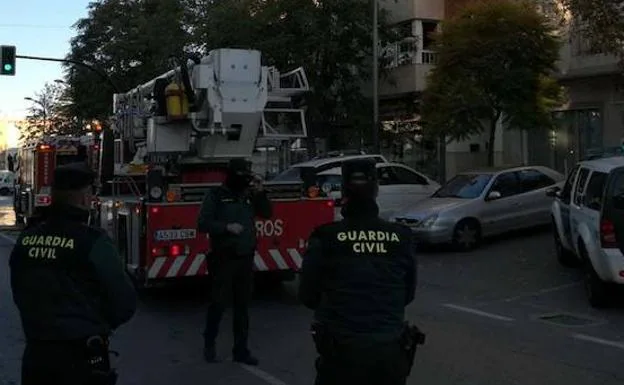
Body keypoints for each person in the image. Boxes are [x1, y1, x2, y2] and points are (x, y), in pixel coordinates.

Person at [9, 162, 137, 385]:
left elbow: (19, 290)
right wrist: (94, 322)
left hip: (36, 356)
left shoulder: (26, 239)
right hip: (82, 360)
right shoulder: (93, 242)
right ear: (85, 198)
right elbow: (124, 302)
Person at [298, 159, 417, 385]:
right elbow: (408, 294)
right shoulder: (401, 236)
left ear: (343, 190)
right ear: (377, 190)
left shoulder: (326, 236)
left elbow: (308, 296)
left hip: (341, 354)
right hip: (389, 354)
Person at [198, 158, 272, 365]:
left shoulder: (248, 196)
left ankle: (241, 350)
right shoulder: (216, 196)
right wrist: (226, 227)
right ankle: (209, 344)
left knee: (242, 308)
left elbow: (266, 213)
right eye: (241, 176)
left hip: (245, 258)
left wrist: (260, 192)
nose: (244, 180)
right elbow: (203, 223)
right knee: (218, 304)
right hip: (223, 258)